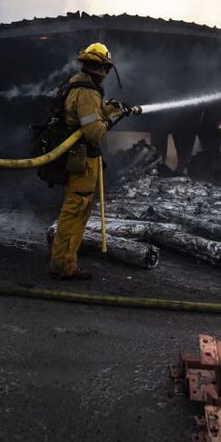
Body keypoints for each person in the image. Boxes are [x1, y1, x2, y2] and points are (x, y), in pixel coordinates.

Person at [48, 43, 126, 280]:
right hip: (82, 160)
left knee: (74, 210)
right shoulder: (88, 91)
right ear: (102, 67)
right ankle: (64, 267)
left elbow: (89, 113)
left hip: (73, 156)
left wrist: (110, 109)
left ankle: (61, 262)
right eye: (106, 69)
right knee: (76, 211)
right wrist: (111, 121)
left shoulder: (77, 82)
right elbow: (93, 131)